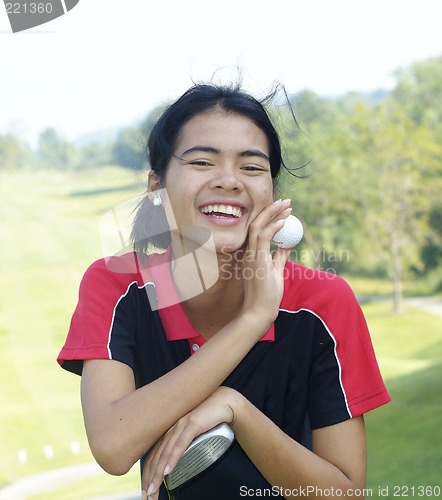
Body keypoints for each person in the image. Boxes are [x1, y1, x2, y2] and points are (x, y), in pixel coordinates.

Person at [57, 83, 391, 500]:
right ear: (156, 187)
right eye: (202, 161)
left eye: (252, 168)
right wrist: (252, 319)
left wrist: (237, 411)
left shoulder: (322, 302)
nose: (229, 181)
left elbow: (345, 493)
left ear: (273, 192)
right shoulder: (116, 286)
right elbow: (112, 446)